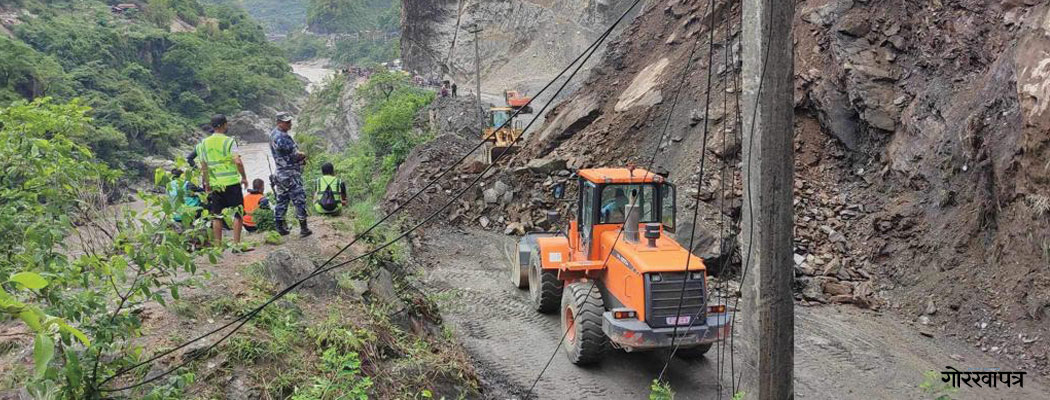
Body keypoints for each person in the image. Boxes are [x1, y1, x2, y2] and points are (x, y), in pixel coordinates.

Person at [197, 114, 249, 246]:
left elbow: (204, 166)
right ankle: (236, 245)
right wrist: (244, 177)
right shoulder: (229, 141)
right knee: (238, 213)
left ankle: (218, 246)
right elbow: (238, 161)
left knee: (217, 215)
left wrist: (207, 183)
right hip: (231, 182)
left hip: (215, 184)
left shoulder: (204, 143)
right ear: (224, 125)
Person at [269, 112, 311, 237]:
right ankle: (304, 229)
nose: (290, 124)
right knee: (299, 200)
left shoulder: (273, 134)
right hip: (290, 174)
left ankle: (280, 227)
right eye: (287, 122)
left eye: (290, 121)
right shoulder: (282, 137)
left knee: (282, 200)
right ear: (279, 122)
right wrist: (302, 155)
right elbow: (294, 155)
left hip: (280, 174)